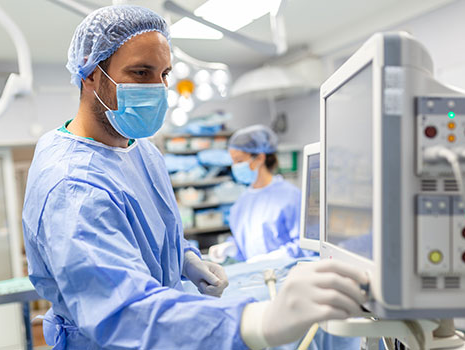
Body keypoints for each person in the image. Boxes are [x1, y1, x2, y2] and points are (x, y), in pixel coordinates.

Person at [22, 5, 368, 349]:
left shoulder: (142, 152)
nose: (158, 88)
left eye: (164, 74)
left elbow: (162, 232)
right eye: (141, 73)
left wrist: (185, 259)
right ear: (91, 74)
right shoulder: (71, 186)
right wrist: (257, 323)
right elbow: (123, 312)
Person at [209, 125, 310, 263]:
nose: (235, 167)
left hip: (288, 277)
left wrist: (276, 258)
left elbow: (307, 246)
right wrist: (231, 247)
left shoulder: (291, 196)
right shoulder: (243, 201)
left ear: (260, 158)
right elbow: (245, 245)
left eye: (239, 161)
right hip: (256, 277)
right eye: (233, 162)